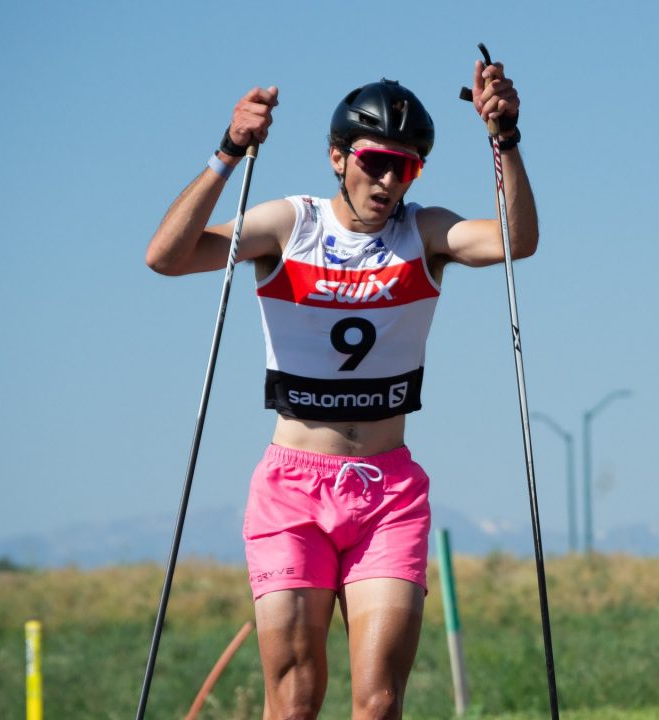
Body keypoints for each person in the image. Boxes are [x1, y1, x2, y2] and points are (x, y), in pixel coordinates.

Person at [145, 58, 536, 719]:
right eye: (377, 162)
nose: (388, 181)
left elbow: (515, 242)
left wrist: (506, 139)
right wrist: (228, 152)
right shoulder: (287, 225)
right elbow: (167, 257)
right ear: (337, 156)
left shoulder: (425, 233)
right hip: (293, 490)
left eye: (406, 167)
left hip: (387, 492)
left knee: (379, 702)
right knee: (295, 697)